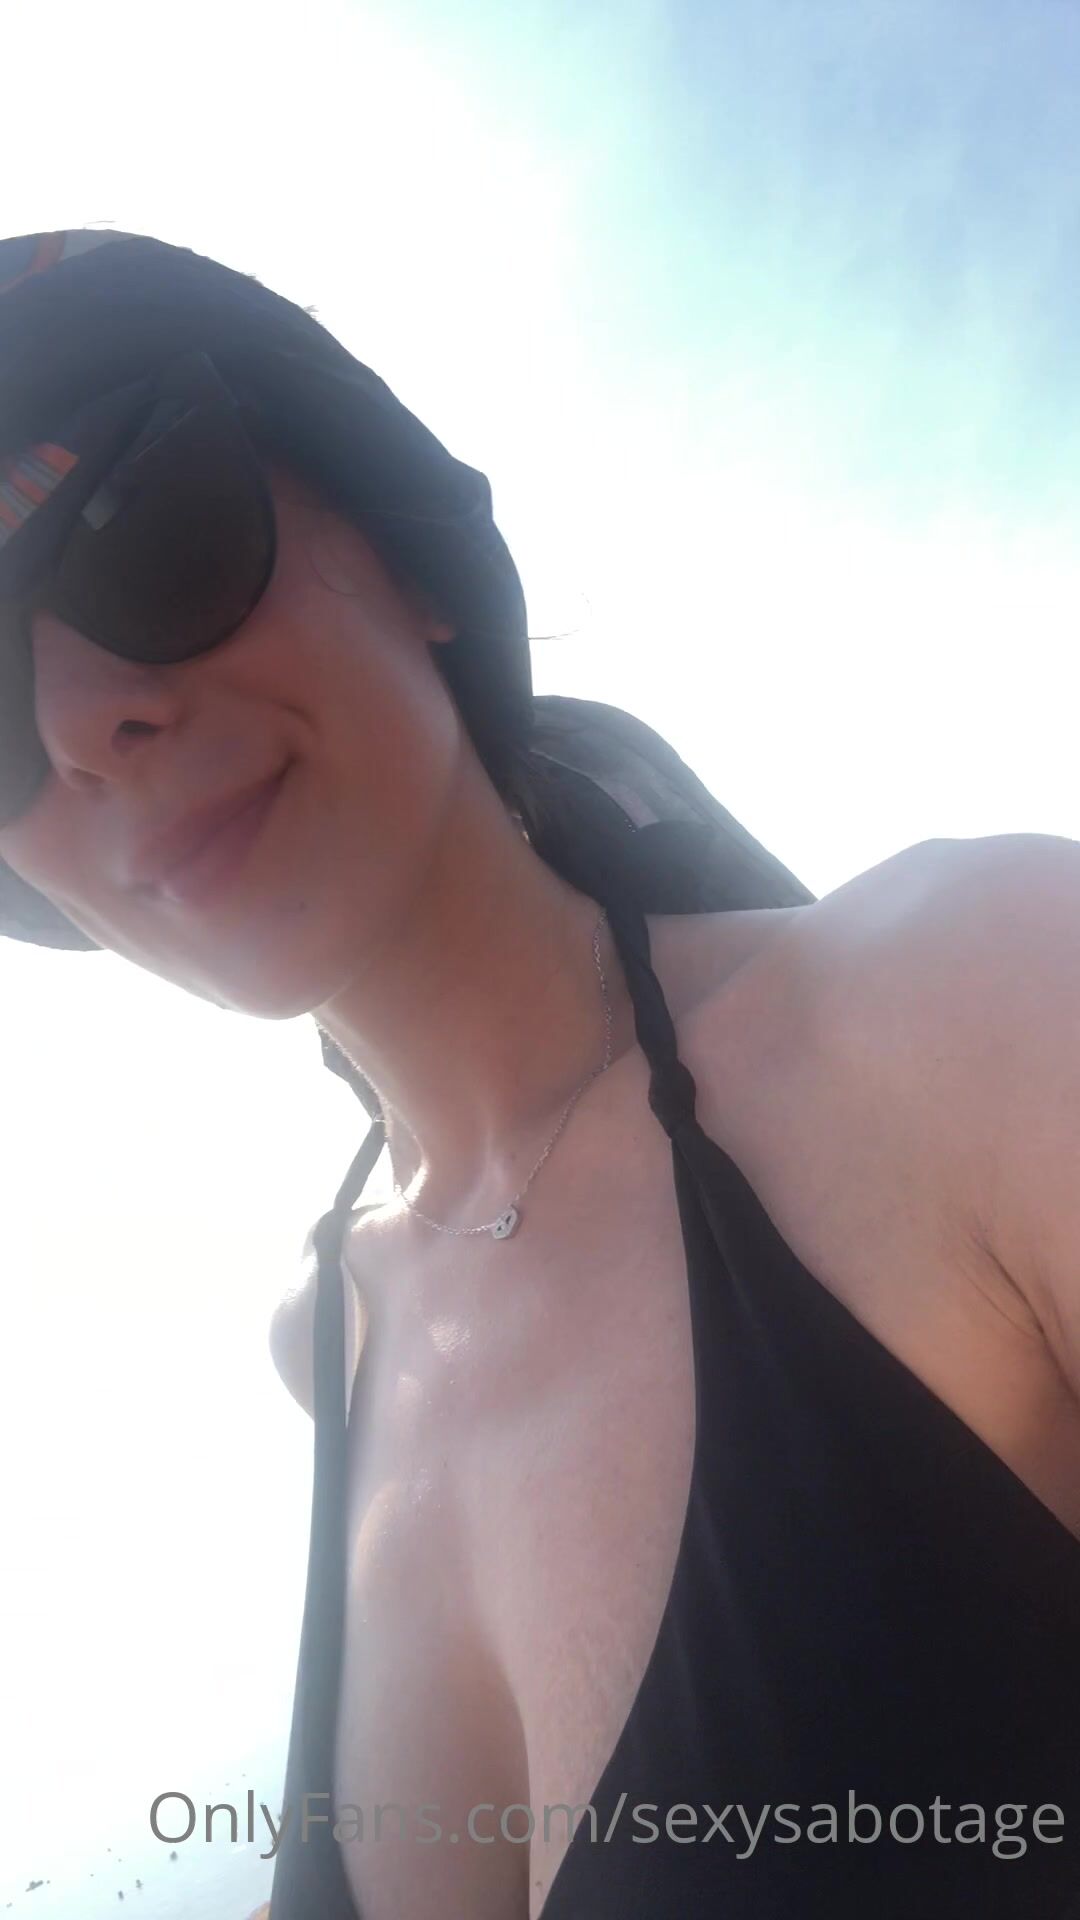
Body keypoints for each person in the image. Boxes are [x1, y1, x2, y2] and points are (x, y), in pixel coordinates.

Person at [0, 230, 1077, 1920]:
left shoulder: (978, 997)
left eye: (148, 531)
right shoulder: (328, 1348)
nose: (82, 724)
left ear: (408, 554)